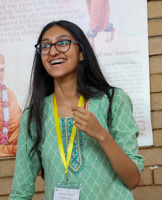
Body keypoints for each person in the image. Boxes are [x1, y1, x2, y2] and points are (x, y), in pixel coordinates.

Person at [9, 20, 144, 200]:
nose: (53, 51)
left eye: (63, 43)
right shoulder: (34, 115)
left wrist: (101, 135)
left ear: (81, 53)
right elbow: (20, 192)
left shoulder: (113, 101)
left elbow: (133, 179)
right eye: (46, 46)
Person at [0, 54, 22, 156]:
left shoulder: (9, 94)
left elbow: (19, 125)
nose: (0, 74)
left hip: (11, 146)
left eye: (2, 70)